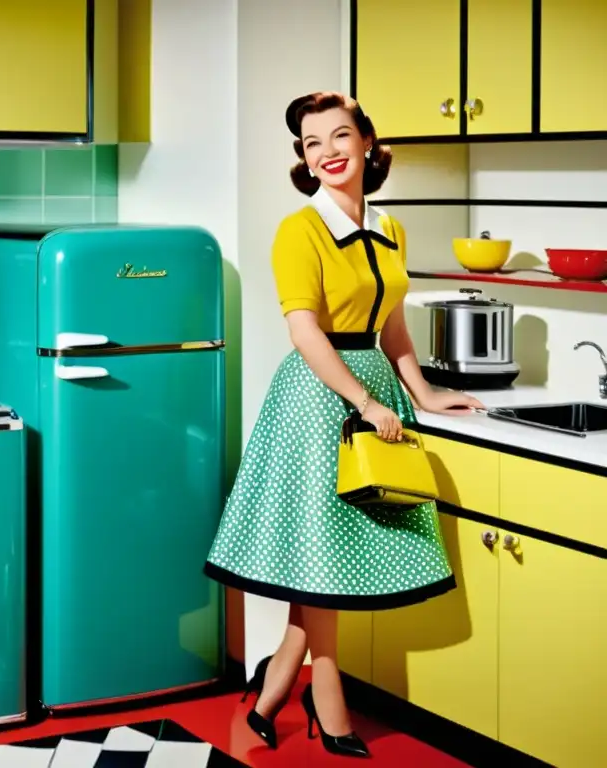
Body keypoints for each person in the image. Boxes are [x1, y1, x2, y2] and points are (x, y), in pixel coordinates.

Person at [203, 91, 484, 758]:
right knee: (322, 561)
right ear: (303, 159)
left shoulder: (390, 230)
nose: (326, 152)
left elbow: (391, 325)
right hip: (319, 399)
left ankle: (274, 692)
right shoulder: (298, 231)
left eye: (338, 136)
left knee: (324, 562)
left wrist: (423, 391)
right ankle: (328, 703)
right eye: (310, 143)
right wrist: (365, 401)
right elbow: (305, 333)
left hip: (376, 393)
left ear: (366, 143)